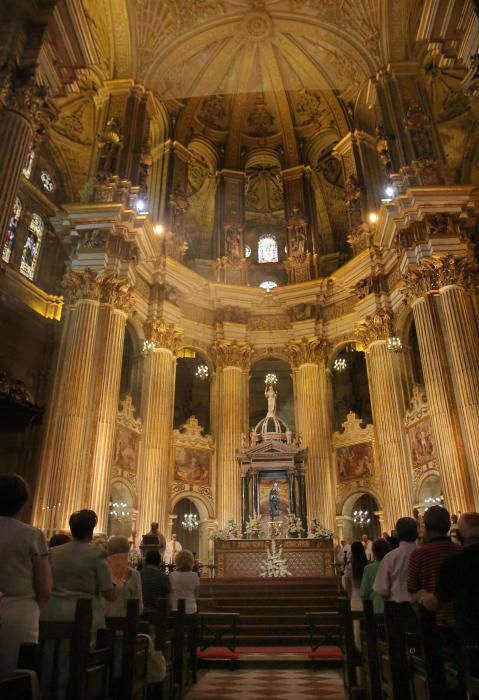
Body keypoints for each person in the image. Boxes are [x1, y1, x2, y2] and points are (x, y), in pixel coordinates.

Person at [0, 473, 51, 674]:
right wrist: (32, 607)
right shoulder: (31, 535)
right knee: (16, 677)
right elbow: (45, 587)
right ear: (23, 503)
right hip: (19, 613)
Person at [41, 509, 116, 641]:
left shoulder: (52, 552)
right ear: (91, 531)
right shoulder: (97, 553)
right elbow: (108, 593)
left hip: (52, 614)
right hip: (84, 618)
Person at [422, 513, 479, 644]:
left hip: (470, 635)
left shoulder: (455, 562)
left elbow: (437, 602)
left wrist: (424, 597)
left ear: (459, 535)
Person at [407, 506, 459, 605]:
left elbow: (412, 595)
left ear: (426, 526)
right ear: (448, 524)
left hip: (431, 615)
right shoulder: (460, 550)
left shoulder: (418, 555)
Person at [169, 549, 200, 681]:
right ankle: (192, 669)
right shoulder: (194, 576)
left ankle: (175, 668)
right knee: (192, 642)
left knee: (176, 641)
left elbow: (169, 593)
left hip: (175, 612)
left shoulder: (171, 576)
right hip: (191, 611)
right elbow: (196, 594)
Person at [373, 517, 417, 602]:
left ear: (397, 534)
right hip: (423, 608)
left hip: (398, 607)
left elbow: (382, 590)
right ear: (416, 533)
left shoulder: (390, 557)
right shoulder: (425, 554)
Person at [104, 535, 143, 617]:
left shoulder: (101, 572)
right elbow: (139, 608)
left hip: (102, 624)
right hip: (126, 624)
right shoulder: (134, 574)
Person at [360, 538, 391, 613]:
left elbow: (363, 592)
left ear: (374, 552)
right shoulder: (394, 565)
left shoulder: (369, 569)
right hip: (395, 608)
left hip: (377, 607)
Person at [140, 550, 170, 616]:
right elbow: (168, 601)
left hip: (141, 613)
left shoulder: (139, 575)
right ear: (159, 562)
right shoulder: (163, 577)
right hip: (158, 615)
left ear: (146, 561)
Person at [343, 541, 368, 611]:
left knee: (356, 618)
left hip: (355, 596)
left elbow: (347, 585)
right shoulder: (368, 565)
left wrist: (350, 596)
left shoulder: (349, 566)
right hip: (368, 599)